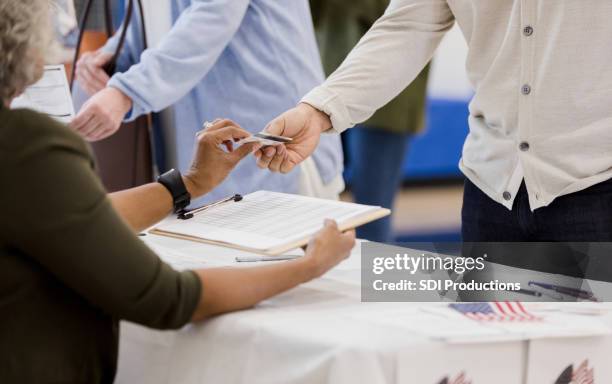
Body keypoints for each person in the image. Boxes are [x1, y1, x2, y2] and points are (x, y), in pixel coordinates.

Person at [0, 2, 355, 384]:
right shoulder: (26, 145)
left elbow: (207, 18)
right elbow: (167, 297)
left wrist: (187, 182)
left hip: (276, 157)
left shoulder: (22, 151)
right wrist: (307, 266)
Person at [256, 0, 612, 242]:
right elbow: (407, 27)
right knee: (490, 346)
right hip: (490, 186)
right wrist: (316, 112)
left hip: (595, 182)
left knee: (593, 351)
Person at [71, 0, 344, 204]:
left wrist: (127, 91)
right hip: (210, 148)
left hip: (273, 140)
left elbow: (210, 19)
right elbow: (160, 16)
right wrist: (112, 54)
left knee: (290, 270)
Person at [310, 0, 430, 242]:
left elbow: (398, 19)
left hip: (387, 105)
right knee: (315, 211)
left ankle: (378, 278)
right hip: (328, 95)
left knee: (371, 218)